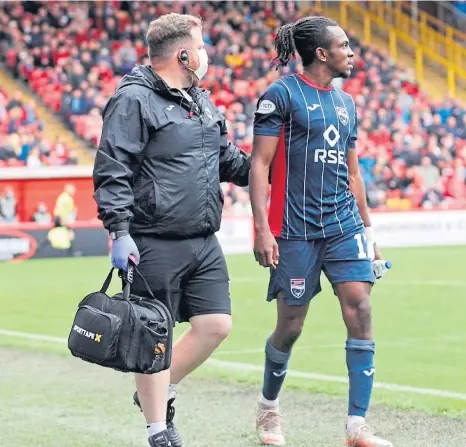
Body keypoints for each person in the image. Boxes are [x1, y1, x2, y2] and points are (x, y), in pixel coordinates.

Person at [92, 13, 251, 447]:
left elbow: (227, 160)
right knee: (151, 337)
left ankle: (162, 392)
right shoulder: (134, 100)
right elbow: (112, 169)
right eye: (201, 46)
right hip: (152, 240)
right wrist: (119, 230)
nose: (206, 54)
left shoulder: (199, 99)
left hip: (202, 238)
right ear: (183, 53)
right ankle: (158, 430)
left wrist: (270, 168)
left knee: (216, 325)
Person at [249, 16, 393, 447]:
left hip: (343, 224)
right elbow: (259, 164)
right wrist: (261, 229)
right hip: (294, 230)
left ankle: (356, 426)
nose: (352, 52)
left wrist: (368, 231)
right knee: (291, 325)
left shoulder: (346, 104)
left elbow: (353, 174)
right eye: (345, 45)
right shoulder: (281, 95)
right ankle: (269, 408)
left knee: (361, 308)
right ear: (321, 53)